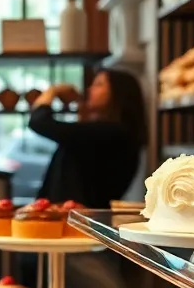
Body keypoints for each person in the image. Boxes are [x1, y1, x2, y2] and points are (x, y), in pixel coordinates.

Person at [26, 68, 146, 208]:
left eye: (99, 84)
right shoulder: (109, 132)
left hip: (80, 221)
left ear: (119, 93)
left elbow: (39, 122)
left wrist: (53, 91)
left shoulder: (113, 133)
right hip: (77, 218)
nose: (90, 89)